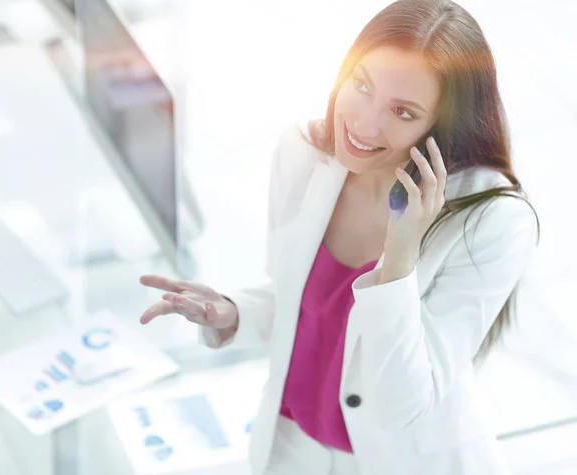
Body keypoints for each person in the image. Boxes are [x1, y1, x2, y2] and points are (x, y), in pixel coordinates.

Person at [138, 0, 541, 474]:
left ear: (441, 124)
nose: (364, 125)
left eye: (403, 112)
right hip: (291, 447)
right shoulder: (304, 153)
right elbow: (303, 305)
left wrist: (401, 253)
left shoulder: (492, 220)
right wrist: (232, 312)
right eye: (362, 84)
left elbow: (403, 403)